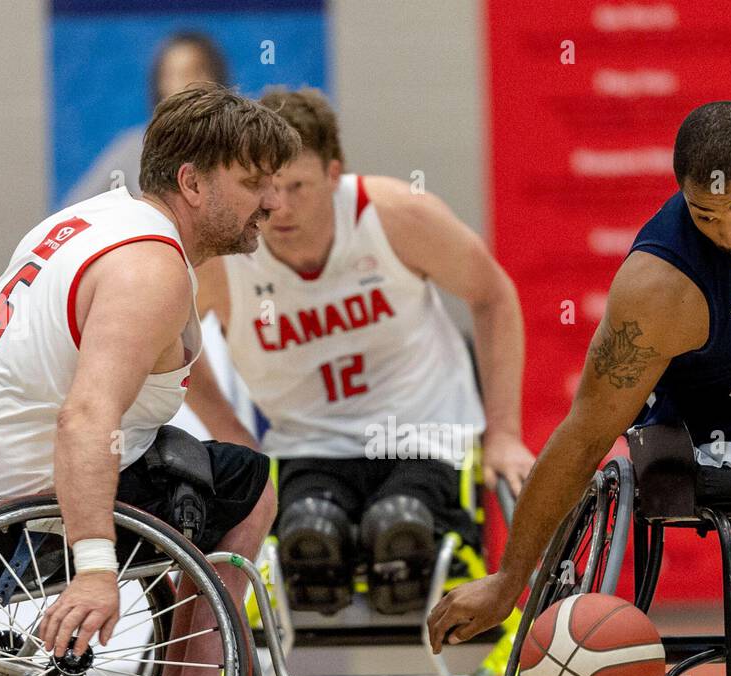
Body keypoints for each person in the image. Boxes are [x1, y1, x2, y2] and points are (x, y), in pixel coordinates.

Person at [429, 100, 731, 650]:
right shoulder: (656, 291)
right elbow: (584, 436)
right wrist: (509, 581)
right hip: (688, 422)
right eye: (706, 216)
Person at [0, 84, 299, 676]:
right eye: (252, 182)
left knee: (215, 463)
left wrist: (228, 426)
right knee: (252, 483)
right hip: (19, 520)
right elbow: (86, 419)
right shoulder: (151, 271)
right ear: (191, 182)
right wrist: (95, 568)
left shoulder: (95, 219)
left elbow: (158, 358)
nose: (271, 201)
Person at [190, 87, 535, 615]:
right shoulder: (228, 248)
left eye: (298, 186)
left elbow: (494, 296)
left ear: (334, 175)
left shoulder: (396, 215)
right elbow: (173, 342)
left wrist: (504, 432)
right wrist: (233, 434)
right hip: (308, 446)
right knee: (311, 539)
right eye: (267, 188)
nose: (278, 207)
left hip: (421, 434)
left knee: (400, 528)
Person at [63, 31, 230, 206]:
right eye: (172, 74)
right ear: (159, 84)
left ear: (216, 77)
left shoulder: (237, 149)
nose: (184, 85)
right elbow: (73, 211)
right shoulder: (133, 149)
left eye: (194, 71)